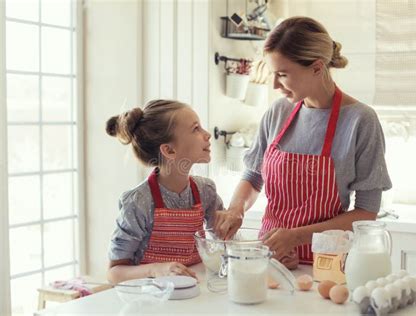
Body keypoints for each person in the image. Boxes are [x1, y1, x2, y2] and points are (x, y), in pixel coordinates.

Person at [213, 16, 392, 269]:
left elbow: (367, 212)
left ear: (317, 68)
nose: (275, 85)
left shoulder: (360, 121)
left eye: (283, 74)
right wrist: (235, 210)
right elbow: (254, 176)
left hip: (328, 265)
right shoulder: (278, 112)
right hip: (271, 259)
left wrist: (296, 237)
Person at [105, 99, 223, 284]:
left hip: (192, 292)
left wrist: (229, 224)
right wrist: (157, 269)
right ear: (169, 150)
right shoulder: (138, 202)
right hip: (148, 299)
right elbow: (114, 273)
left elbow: (223, 241)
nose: (207, 134)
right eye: (196, 129)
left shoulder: (205, 191)